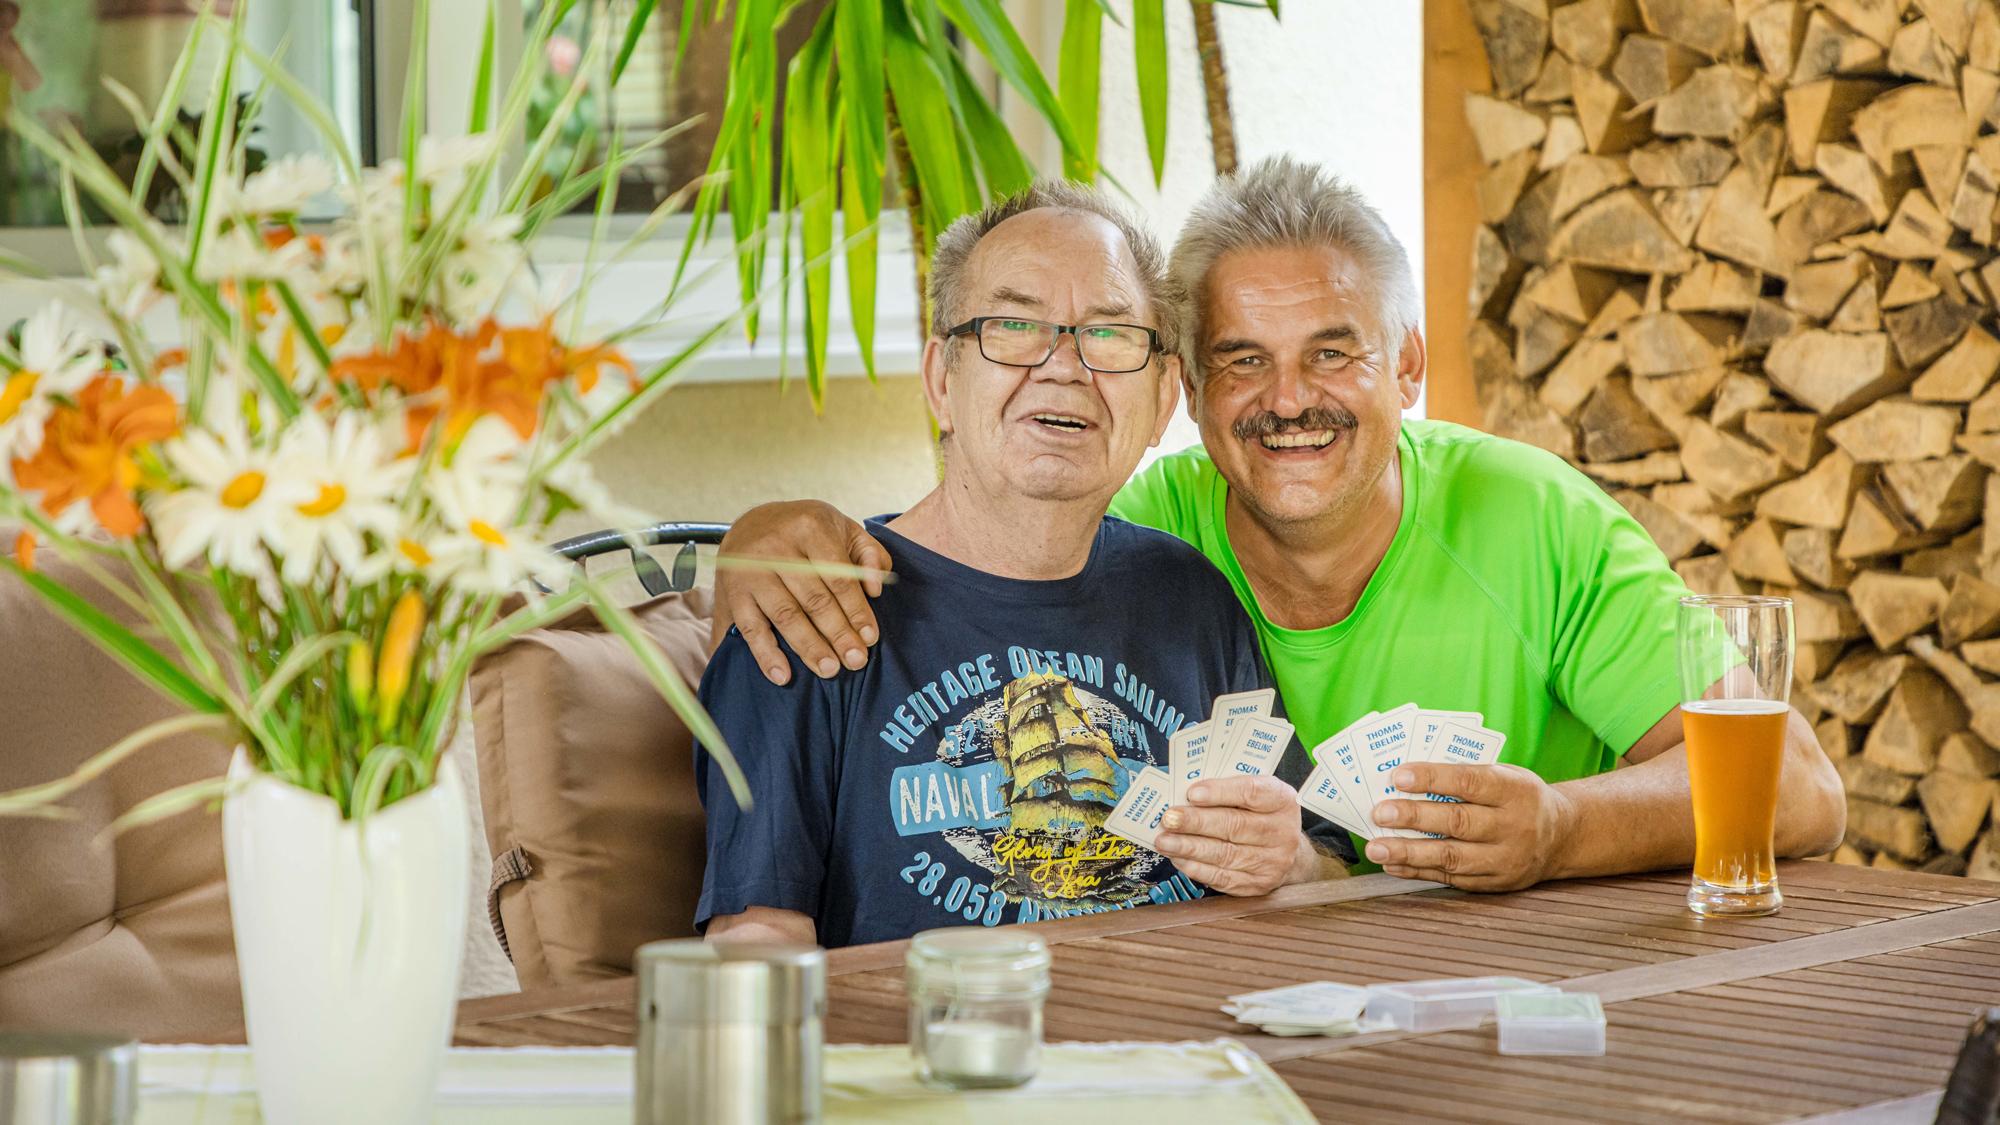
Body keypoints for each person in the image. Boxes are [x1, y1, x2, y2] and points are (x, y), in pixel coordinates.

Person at [711, 156, 1848, 894]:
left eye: (1332, 353)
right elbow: (978, 539)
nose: (1287, 399)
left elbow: (1794, 787)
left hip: (1543, 989)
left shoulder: (1528, 512)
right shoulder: (1144, 539)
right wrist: (768, 533)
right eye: (1241, 360)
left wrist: (1553, 828)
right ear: (1187, 398)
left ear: (1405, 367)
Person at [695, 182, 1350, 950]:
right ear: (942, 379)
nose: (1062, 366)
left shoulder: (1190, 597)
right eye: (1013, 326)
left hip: (1180, 1051)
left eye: (1108, 337)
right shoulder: (813, 608)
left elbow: (1330, 869)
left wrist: (1295, 861)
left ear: (1164, 397)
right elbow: (755, 941)